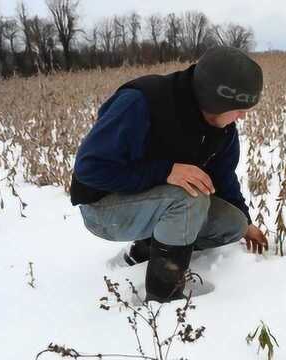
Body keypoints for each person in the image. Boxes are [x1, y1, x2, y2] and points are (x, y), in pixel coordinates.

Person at [70, 46, 269, 303]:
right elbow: (89, 169)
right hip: (102, 208)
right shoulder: (142, 102)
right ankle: (164, 297)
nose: (243, 116)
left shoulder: (223, 128)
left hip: (154, 201)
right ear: (215, 100)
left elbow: (224, 176)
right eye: (239, 107)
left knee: (233, 224)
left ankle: (144, 251)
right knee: (188, 198)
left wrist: (246, 220)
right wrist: (166, 171)